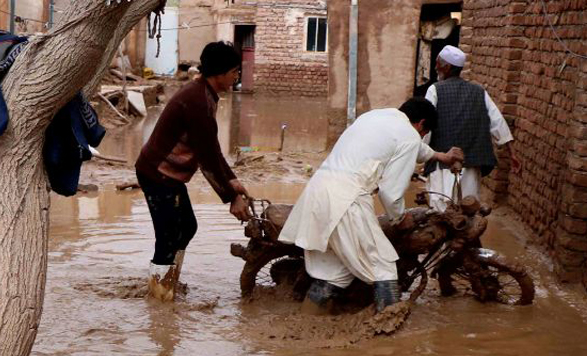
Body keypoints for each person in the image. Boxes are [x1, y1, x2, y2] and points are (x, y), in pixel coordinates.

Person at [278, 98, 464, 312]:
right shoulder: (410, 136)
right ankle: (387, 333)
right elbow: (390, 192)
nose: (420, 138)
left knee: (333, 274)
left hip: (317, 192)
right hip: (347, 200)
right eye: (423, 133)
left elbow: (412, 147)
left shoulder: (375, 117)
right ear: (421, 124)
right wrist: (400, 218)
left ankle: (304, 325)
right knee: (384, 268)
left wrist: (440, 156)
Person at [134, 42, 251, 302]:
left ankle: (168, 283)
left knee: (186, 227)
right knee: (168, 237)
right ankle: (160, 299)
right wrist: (232, 197)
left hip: (169, 177)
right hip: (157, 174)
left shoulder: (205, 94)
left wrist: (232, 181)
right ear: (219, 73)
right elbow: (207, 158)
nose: (236, 76)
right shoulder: (197, 101)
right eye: (234, 71)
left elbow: (212, 149)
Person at [424, 45, 513, 209]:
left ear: (447, 66)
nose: (435, 67)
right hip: (471, 162)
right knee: (468, 205)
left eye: (438, 63)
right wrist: (511, 152)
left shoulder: (434, 89)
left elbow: (426, 125)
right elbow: (497, 121)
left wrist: (422, 151)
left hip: (443, 162)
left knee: (440, 207)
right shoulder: (478, 91)